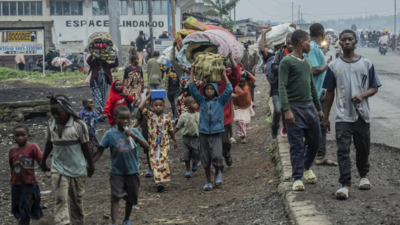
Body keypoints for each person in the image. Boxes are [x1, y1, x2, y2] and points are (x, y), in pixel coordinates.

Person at [323, 29, 381, 200]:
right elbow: (330, 92)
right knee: (342, 150)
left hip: (362, 115)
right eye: (344, 40)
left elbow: (374, 87)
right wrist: (326, 117)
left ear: (356, 42)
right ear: (339, 43)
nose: (347, 42)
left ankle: (363, 176)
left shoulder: (366, 63)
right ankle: (345, 185)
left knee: (363, 148)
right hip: (342, 116)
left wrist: (363, 95)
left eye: (350, 39)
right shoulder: (334, 66)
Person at [278, 29, 324, 191]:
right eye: (308, 41)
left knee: (315, 141)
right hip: (294, 109)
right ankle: (297, 177)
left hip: (310, 108)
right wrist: (287, 109)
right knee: (297, 145)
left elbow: (312, 86)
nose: (311, 45)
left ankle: (306, 166)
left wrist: (319, 108)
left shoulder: (308, 62)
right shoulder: (286, 62)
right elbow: (281, 86)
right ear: (301, 42)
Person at [40, 94, 94, 225]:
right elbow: (49, 143)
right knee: (60, 198)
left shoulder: (79, 125)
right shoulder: (51, 124)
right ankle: (62, 222)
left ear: (67, 110)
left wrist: (90, 164)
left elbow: (85, 146)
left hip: (78, 169)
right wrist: (43, 160)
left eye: (59, 113)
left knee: (76, 200)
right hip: (58, 168)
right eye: (53, 114)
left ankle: (77, 222)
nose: (56, 116)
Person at [93, 105, 149, 225]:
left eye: (127, 118)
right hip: (116, 172)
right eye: (121, 118)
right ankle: (114, 222)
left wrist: (134, 136)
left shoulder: (134, 131)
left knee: (131, 198)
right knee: (115, 197)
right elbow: (100, 150)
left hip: (132, 171)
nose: (125, 121)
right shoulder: (110, 134)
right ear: (115, 119)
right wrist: (91, 164)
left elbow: (147, 146)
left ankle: (126, 219)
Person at [190, 67, 233, 191]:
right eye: (207, 89)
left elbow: (229, 89)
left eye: (211, 89)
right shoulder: (201, 101)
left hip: (216, 134)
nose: (209, 91)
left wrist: (224, 75)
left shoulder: (220, 101)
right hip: (203, 134)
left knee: (217, 156)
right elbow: (192, 88)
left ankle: (218, 173)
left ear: (215, 91)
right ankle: (208, 181)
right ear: (204, 90)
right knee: (205, 158)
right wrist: (192, 71)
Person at [199, 50, 241, 170]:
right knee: (212, 144)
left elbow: (237, 74)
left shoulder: (225, 79)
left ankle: (226, 154)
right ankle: (218, 164)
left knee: (225, 141)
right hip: (210, 119)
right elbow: (201, 99)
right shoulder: (206, 83)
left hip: (224, 116)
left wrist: (231, 58)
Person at [303, 23, 336, 167]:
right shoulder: (313, 47)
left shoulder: (313, 47)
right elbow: (313, 70)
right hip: (314, 94)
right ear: (322, 34)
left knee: (315, 125)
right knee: (319, 125)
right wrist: (327, 66)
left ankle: (313, 155)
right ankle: (318, 156)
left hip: (317, 91)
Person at [138, 92, 177, 192]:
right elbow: (140, 107)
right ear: (152, 107)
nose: (158, 107)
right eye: (156, 105)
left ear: (164, 106)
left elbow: (170, 130)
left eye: (160, 105)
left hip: (164, 144)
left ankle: (161, 181)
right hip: (152, 145)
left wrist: (174, 140)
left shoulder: (167, 118)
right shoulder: (150, 116)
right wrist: (147, 97)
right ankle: (158, 181)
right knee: (154, 162)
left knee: (162, 161)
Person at [9, 124, 44, 225]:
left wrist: (45, 166)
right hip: (16, 184)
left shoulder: (33, 147)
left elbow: (41, 160)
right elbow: (12, 166)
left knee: (25, 207)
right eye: (17, 135)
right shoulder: (12, 150)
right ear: (13, 137)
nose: (20, 137)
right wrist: (12, 180)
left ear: (28, 135)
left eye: (23, 135)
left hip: (29, 183)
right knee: (18, 209)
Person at [270, 32, 293, 139]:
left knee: (289, 109)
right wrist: (285, 69)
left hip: (292, 87)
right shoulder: (279, 53)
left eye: (293, 43)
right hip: (278, 87)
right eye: (288, 43)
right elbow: (274, 66)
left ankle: (286, 128)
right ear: (285, 43)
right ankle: (274, 130)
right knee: (278, 109)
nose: (290, 46)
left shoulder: (300, 55)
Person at [174, 96, 200, 178]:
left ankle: (195, 162)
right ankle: (188, 170)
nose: (197, 105)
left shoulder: (199, 115)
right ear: (188, 105)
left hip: (196, 138)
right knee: (186, 155)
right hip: (186, 138)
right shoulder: (183, 116)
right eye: (194, 103)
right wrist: (171, 134)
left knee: (196, 152)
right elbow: (178, 127)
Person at [133, 90, 153, 178]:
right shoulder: (144, 106)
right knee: (148, 151)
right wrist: (131, 128)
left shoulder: (158, 105)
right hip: (146, 132)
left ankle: (156, 168)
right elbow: (138, 120)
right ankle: (150, 168)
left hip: (157, 133)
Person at [232, 71, 256, 144]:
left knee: (246, 121)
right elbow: (230, 91)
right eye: (240, 82)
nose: (242, 83)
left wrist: (246, 72)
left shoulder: (248, 84)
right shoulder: (234, 86)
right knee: (239, 121)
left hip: (246, 106)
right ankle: (242, 136)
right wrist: (233, 95)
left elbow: (253, 79)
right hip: (238, 106)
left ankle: (241, 133)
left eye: (243, 81)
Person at [241, 40, 258, 105]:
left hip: (251, 72)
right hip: (244, 72)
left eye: (246, 43)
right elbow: (241, 62)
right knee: (244, 86)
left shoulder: (254, 51)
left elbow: (256, 62)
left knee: (252, 86)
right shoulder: (242, 52)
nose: (244, 44)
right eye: (244, 43)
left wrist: (253, 70)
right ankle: (245, 101)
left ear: (249, 44)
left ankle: (252, 101)